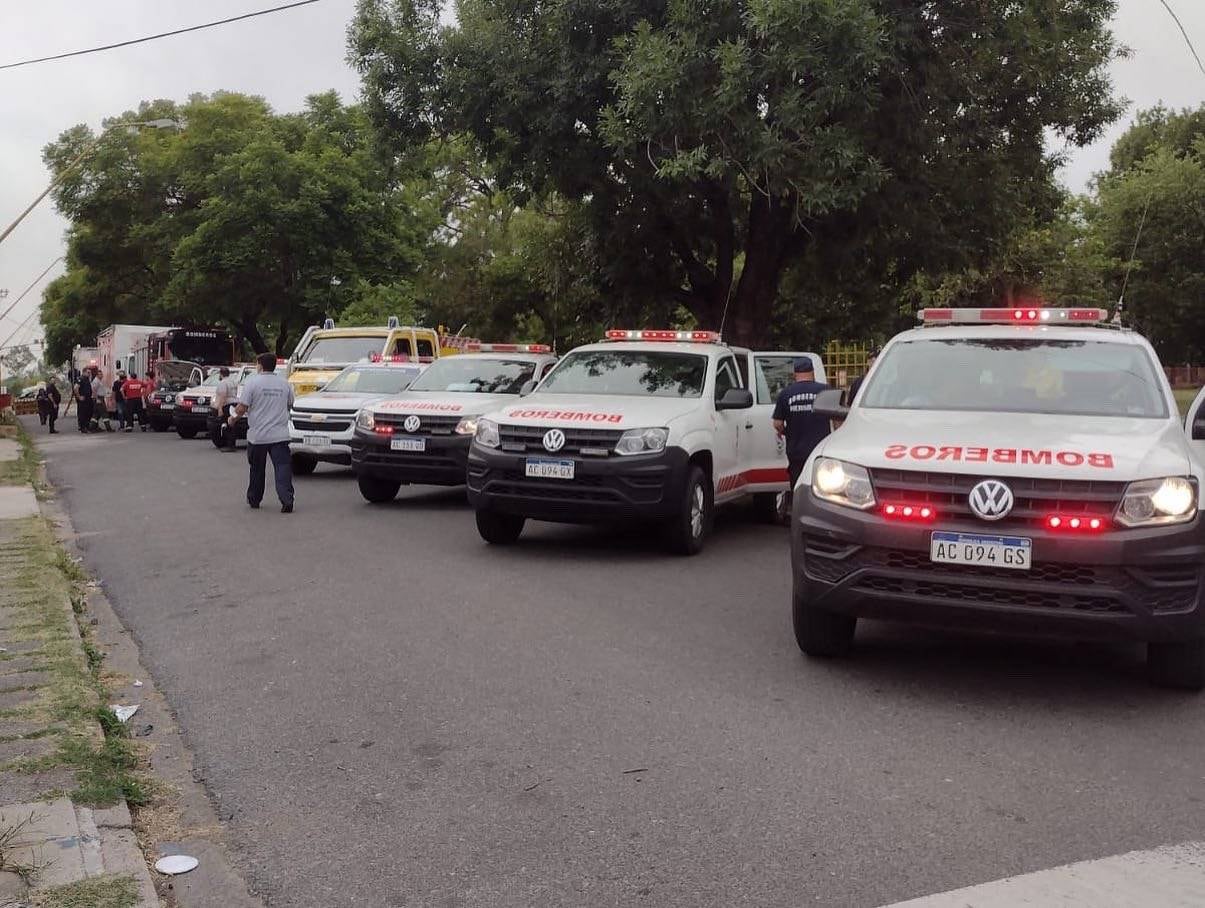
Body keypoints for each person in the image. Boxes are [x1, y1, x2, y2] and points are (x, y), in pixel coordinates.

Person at [231, 353, 295, 512]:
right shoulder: (284, 384)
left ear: (260, 365)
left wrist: (232, 419)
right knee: (282, 468)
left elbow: (242, 407)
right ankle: (287, 499)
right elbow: (290, 403)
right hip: (280, 435)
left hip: (258, 436)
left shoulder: (252, 383)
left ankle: (254, 499)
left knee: (257, 469)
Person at [772, 356, 832, 508]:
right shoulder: (825, 391)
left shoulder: (786, 394)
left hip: (796, 450)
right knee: (823, 487)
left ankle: (799, 514)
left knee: (798, 486)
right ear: (812, 371)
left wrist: (786, 432)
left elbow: (777, 423)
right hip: (820, 452)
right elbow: (837, 420)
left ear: (795, 374)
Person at [212, 367, 239, 452]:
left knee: (226, 425)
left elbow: (223, 396)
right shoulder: (233, 382)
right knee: (232, 424)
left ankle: (229, 445)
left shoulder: (223, 383)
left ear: (221, 374)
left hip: (227, 405)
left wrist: (220, 408)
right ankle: (232, 444)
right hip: (234, 404)